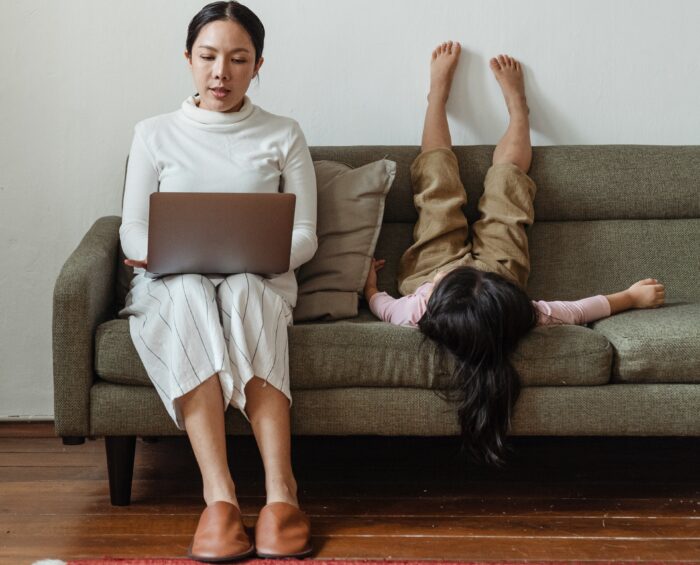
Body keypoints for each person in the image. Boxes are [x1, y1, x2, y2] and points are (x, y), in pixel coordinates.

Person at [364, 42, 665, 468]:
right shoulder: (519, 310)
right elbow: (578, 310)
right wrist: (629, 297)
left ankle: (436, 98)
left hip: (432, 272)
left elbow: (384, 308)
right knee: (508, 187)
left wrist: (370, 285)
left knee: (436, 188)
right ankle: (519, 111)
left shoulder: (418, 308)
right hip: (497, 274)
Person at [119, 2, 315, 561]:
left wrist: (259, 256)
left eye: (237, 59)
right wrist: (164, 254)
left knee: (246, 291)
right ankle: (219, 497)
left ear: (258, 66)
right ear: (188, 59)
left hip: (260, 278)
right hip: (172, 279)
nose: (220, 73)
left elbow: (305, 235)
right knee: (186, 293)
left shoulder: (284, 134)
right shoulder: (153, 134)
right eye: (207, 57)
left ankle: (282, 493)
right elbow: (133, 229)